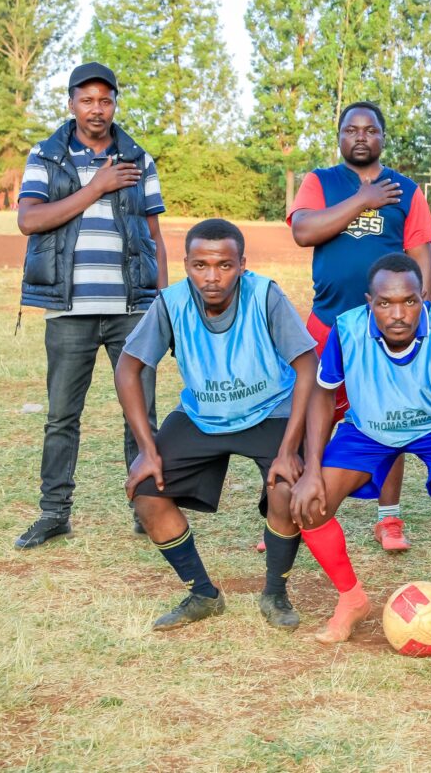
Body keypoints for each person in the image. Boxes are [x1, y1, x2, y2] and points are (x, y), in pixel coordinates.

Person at [115, 220, 317, 631]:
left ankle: (275, 593)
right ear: (186, 265)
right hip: (202, 413)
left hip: (269, 409)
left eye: (224, 265)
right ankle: (203, 595)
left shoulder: (264, 295)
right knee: (146, 491)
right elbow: (127, 368)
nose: (212, 277)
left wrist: (288, 449)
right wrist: (147, 450)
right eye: (200, 265)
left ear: (242, 264)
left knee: (286, 488)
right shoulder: (171, 302)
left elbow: (307, 365)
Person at [290, 254, 431, 644]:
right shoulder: (346, 329)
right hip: (369, 428)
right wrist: (311, 467)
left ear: (423, 297)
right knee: (310, 505)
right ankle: (352, 599)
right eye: (385, 303)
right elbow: (323, 394)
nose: (398, 314)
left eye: (409, 301)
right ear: (370, 301)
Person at [15, 62, 168, 549]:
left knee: (140, 415)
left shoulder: (137, 158)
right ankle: (54, 513)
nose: (96, 109)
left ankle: (147, 509)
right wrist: (95, 187)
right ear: (71, 104)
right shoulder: (46, 155)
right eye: (87, 100)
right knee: (62, 416)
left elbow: (155, 236)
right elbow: (29, 220)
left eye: (105, 100)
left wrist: (165, 305)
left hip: (132, 309)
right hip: (69, 310)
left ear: (115, 104)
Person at [287, 102, 431, 552]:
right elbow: (303, 231)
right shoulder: (321, 182)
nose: (360, 136)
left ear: (382, 138)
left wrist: (418, 318)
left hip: (387, 333)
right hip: (327, 323)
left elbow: (421, 260)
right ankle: (292, 509)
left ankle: (388, 518)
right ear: (339, 137)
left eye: (370, 130)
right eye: (351, 129)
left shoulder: (406, 190)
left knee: (389, 418)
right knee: (308, 417)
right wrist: (362, 200)